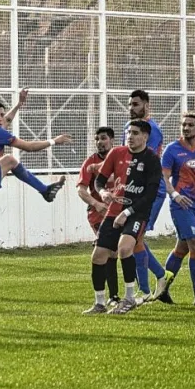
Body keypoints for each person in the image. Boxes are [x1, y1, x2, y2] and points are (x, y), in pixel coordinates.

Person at [0, 96, 71, 312]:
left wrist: (18, 105)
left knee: (9, 161)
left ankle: (45, 190)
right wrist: (54, 141)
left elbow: (6, 121)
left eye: (2, 115)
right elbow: (28, 147)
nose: (1, 118)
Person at [86, 120, 163, 315]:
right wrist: (103, 193)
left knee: (124, 247)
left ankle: (129, 299)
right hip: (114, 211)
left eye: (135, 133)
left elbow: (150, 195)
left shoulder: (152, 160)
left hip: (137, 212)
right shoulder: (116, 153)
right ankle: (100, 303)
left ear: (145, 136)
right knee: (98, 256)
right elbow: (99, 181)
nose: (130, 136)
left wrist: (127, 212)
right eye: (128, 132)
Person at [153, 113, 195, 306]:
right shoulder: (172, 150)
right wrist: (175, 195)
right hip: (181, 205)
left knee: (181, 248)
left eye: (190, 125)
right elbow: (164, 178)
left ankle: (163, 289)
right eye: (184, 125)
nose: (186, 128)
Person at [125, 90, 169, 296]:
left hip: (152, 191)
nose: (131, 108)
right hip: (134, 189)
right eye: (130, 104)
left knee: (136, 237)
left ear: (146, 105)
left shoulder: (152, 130)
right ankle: (157, 278)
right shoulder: (129, 128)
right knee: (134, 238)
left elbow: (143, 160)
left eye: (135, 104)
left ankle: (147, 287)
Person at [77, 126, 120, 311]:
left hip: (120, 211)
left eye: (103, 138)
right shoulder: (91, 162)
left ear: (112, 140)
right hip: (99, 213)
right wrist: (96, 204)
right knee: (107, 252)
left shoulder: (121, 159)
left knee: (119, 251)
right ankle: (111, 297)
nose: (100, 142)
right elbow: (81, 189)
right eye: (97, 139)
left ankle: (115, 296)